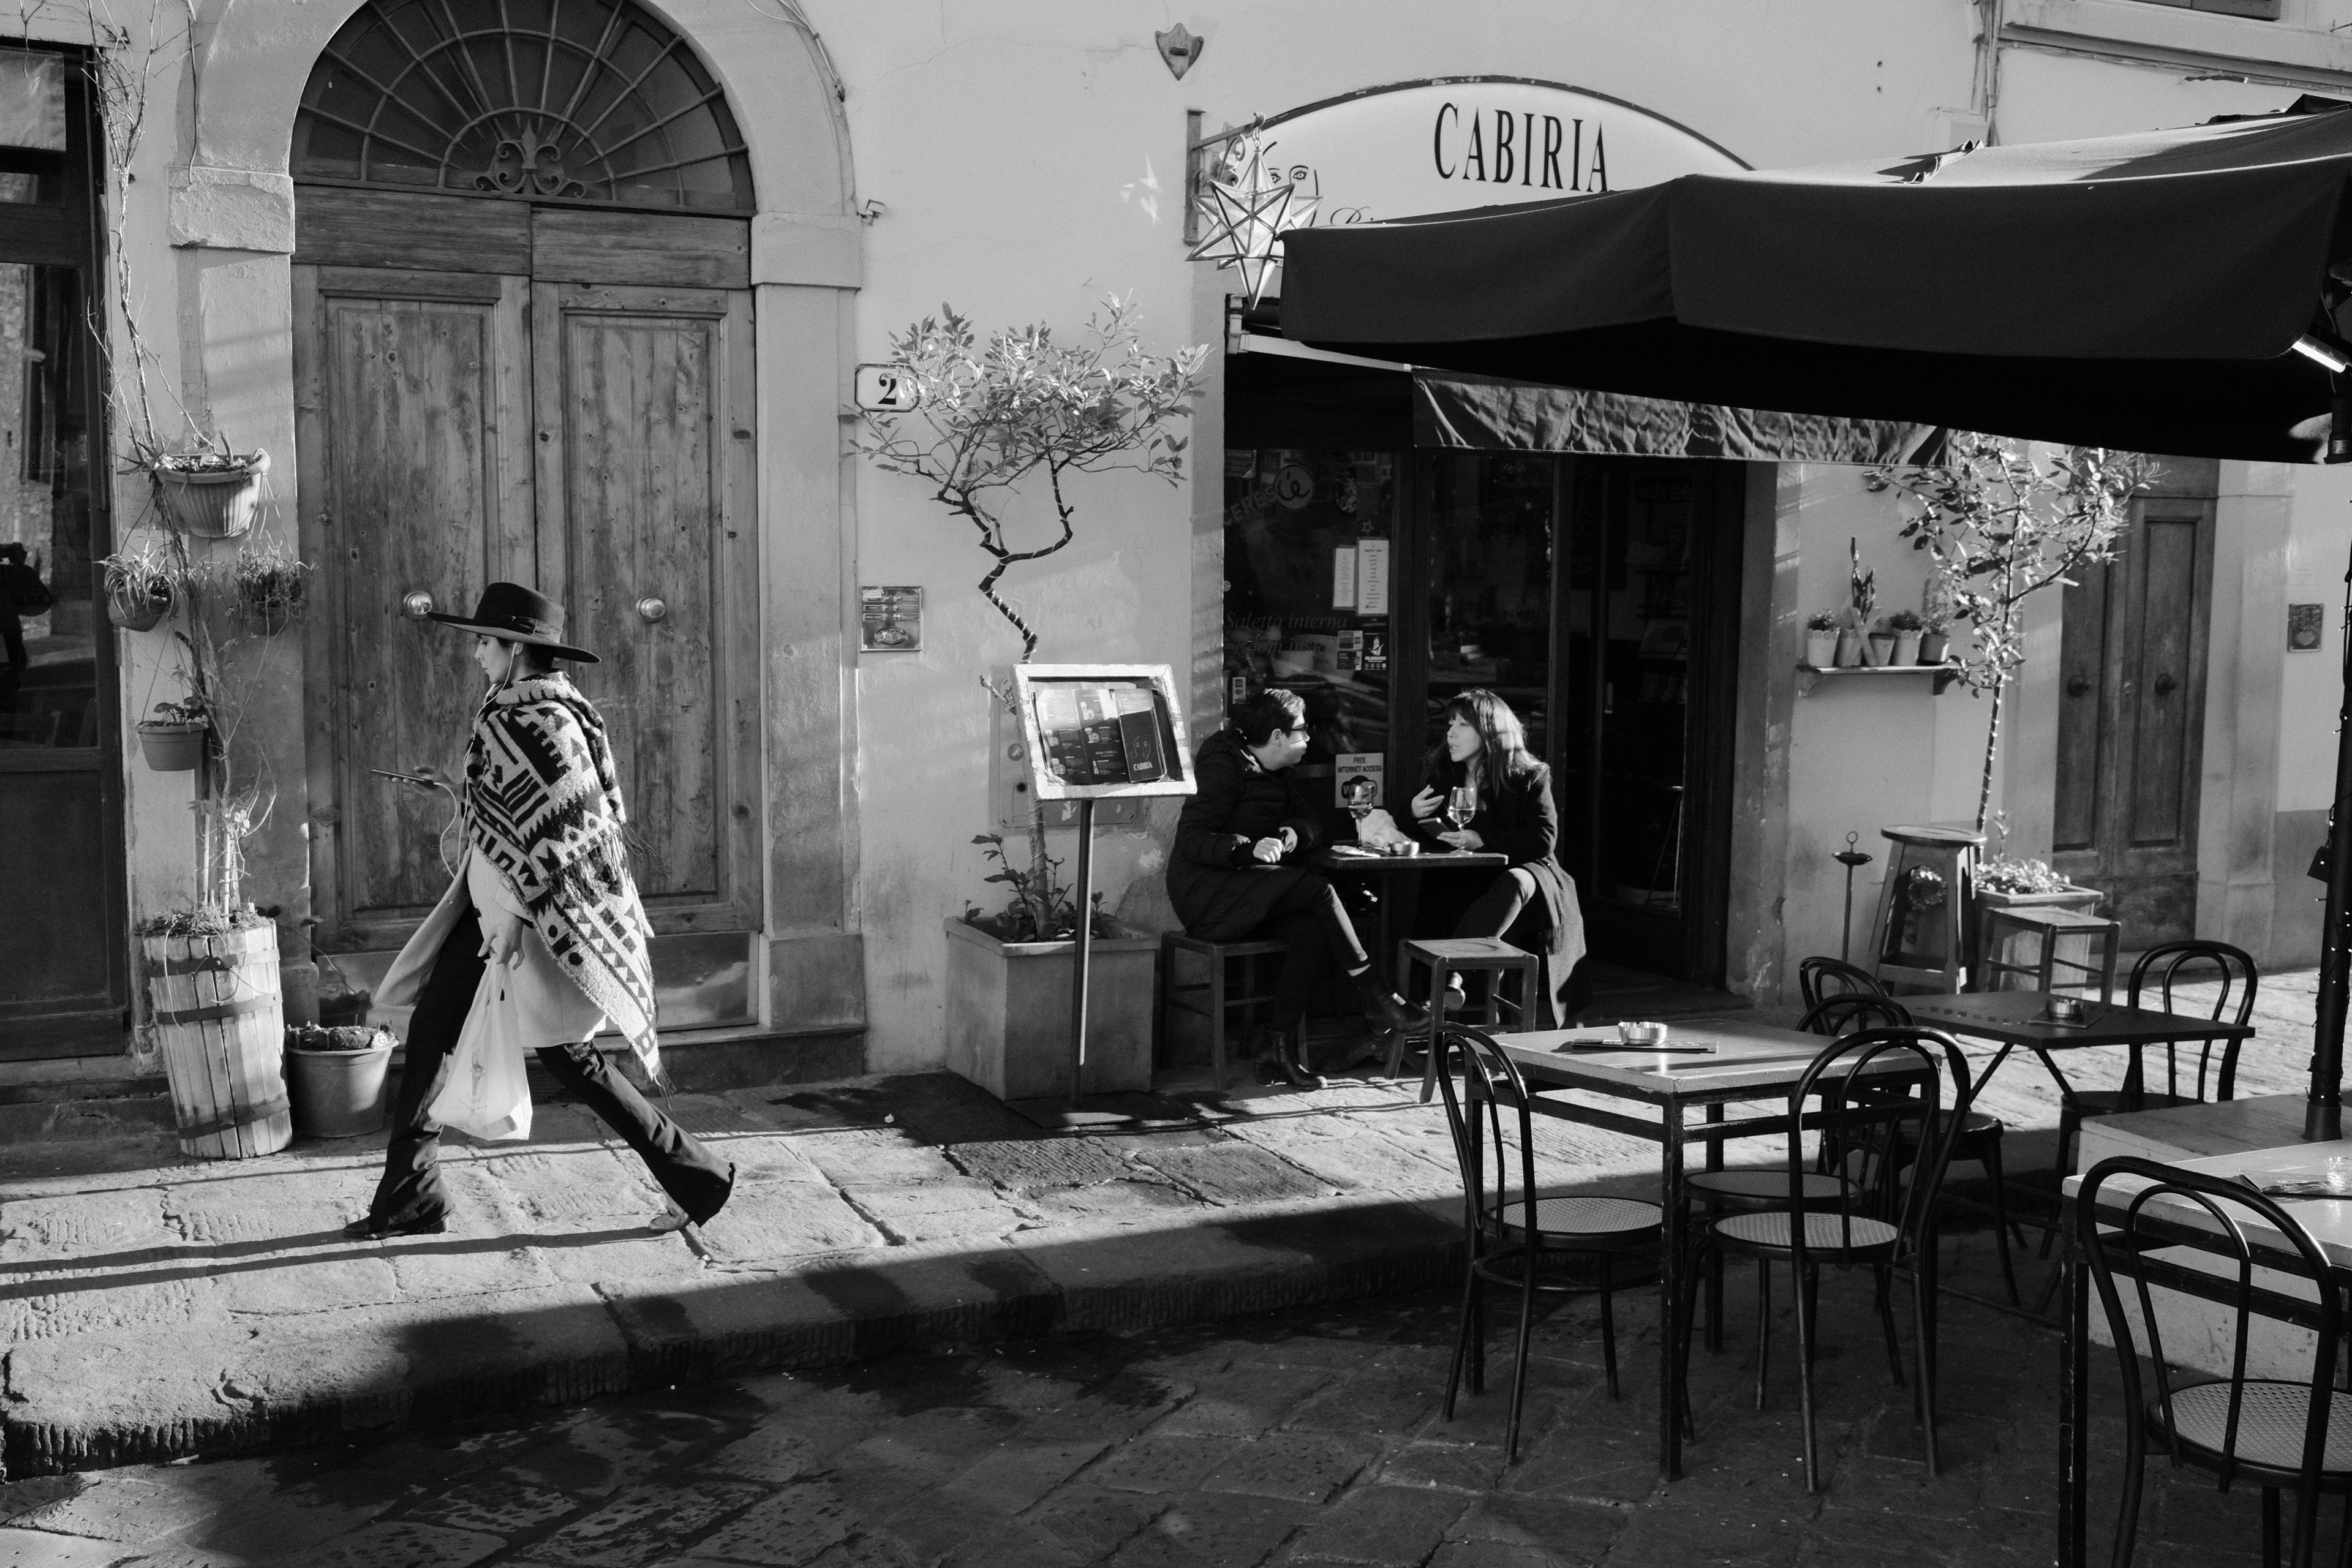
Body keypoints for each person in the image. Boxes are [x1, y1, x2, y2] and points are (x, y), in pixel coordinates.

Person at [345, 582, 734, 1240]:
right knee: (435, 1029)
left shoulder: (528, 719)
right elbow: (529, 815)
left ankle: (697, 1173)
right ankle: (411, 1195)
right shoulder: (541, 711)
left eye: (484, 643)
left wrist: (515, 919)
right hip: (495, 910)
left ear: (514, 649)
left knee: (568, 1058)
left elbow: (560, 837)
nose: (477, 655)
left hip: (525, 918)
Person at [1167, 687, 1427, 1086]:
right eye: (1302, 732)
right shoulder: (1222, 769)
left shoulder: (1277, 774)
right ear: (1277, 737)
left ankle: (1278, 1049)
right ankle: (1376, 995)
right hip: (1207, 896)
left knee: (1310, 932)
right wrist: (1247, 848)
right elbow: (1192, 839)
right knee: (1317, 890)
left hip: (1251, 895)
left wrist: (1293, 832)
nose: (1308, 740)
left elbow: (1312, 823)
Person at [1408, 688, 1588, 1027]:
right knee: (1443, 891)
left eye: (1462, 725)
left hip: (1529, 874)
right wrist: (1413, 814)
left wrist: (1483, 840)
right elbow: (1423, 836)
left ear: (1489, 731)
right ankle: (1431, 1006)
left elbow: (1543, 840)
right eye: (1450, 724)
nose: (1451, 733)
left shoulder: (1529, 777)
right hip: (1468, 875)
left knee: (1513, 881)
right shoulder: (1445, 775)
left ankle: (1453, 975)